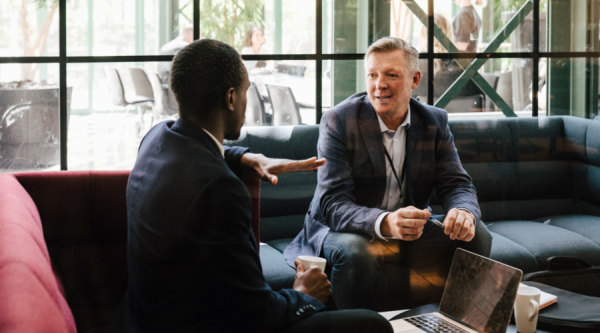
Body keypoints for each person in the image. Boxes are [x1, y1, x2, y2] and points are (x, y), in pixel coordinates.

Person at [112, 38, 392, 333]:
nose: (246, 101)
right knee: (373, 325)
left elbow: (198, 153)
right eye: (246, 91)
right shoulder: (221, 189)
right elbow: (255, 314)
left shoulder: (157, 138)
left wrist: (247, 157)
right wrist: (302, 295)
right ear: (230, 98)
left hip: (142, 319)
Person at [283, 37, 492, 310]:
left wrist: (463, 212)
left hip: (407, 232)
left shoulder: (434, 121)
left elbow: (456, 183)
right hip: (342, 231)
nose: (379, 84)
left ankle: (455, 322)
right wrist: (385, 222)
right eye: (372, 75)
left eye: (391, 75)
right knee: (358, 251)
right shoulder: (339, 121)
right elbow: (332, 203)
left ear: (414, 79)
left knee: (478, 234)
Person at [412, 13, 484, 100]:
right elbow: (480, 99)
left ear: (423, 36)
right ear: (449, 35)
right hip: (460, 113)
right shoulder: (461, 65)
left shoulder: (415, 66)